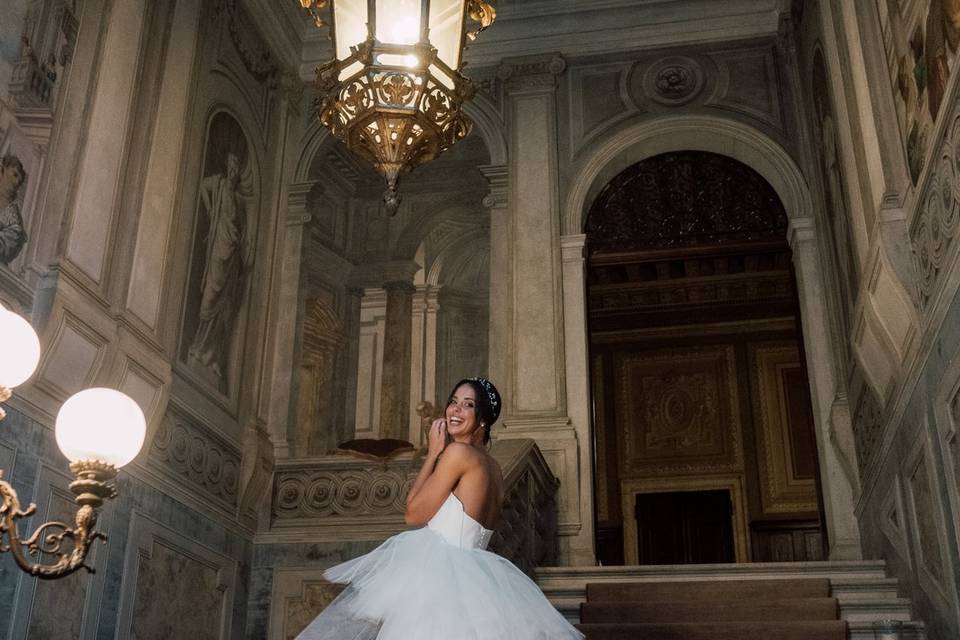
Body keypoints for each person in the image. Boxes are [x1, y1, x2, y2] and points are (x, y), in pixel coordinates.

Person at [295, 377, 584, 640]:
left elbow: (413, 514)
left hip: (441, 575)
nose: (455, 410)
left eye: (468, 405)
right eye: (453, 401)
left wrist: (433, 453)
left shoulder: (458, 453)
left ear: (483, 418)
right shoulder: (494, 469)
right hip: (476, 579)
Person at [0, 154, 27, 266]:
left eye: (20, 182)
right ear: (2, 170)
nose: (16, 183)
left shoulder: (13, 215)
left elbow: (8, 246)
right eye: (15, 175)